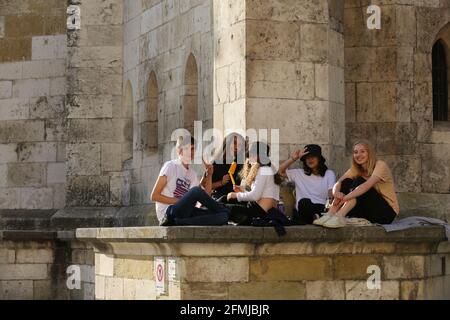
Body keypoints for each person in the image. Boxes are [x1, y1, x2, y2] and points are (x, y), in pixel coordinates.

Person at [314, 139, 399, 228]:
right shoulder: (356, 169)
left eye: (362, 151)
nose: (358, 155)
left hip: (386, 213)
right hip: (368, 210)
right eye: (355, 152)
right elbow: (339, 182)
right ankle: (330, 213)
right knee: (346, 182)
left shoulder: (380, 165)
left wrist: (346, 198)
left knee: (360, 181)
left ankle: (339, 216)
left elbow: (366, 186)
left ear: (369, 153)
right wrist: (336, 193)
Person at [151, 135, 230, 226]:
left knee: (223, 216)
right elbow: (154, 196)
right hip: (168, 212)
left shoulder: (192, 174)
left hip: (185, 213)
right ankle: (225, 209)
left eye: (193, 149)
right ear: (179, 151)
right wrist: (181, 201)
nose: (191, 152)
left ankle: (179, 223)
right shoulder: (170, 166)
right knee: (196, 191)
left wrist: (209, 175)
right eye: (187, 149)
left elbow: (206, 197)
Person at [224, 141, 281, 225]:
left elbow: (255, 196)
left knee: (223, 207)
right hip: (261, 211)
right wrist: (243, 191)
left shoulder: (263, 170)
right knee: (223, 201)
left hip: (259, 213)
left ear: (258, 156)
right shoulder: (269, 168)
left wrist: (235, 195)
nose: (248, 158)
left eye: (250, 154)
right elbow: (261, 196)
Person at [278, 144, 336, 224]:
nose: (310, 159)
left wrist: (330, 207)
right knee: (304, 202)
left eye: (313, 156)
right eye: (307, 157)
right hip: (304, 209)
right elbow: (280, 172)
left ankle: (317, 218)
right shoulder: (298, 173)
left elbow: (331, 193)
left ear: (319, 158)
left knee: (321, 208)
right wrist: (294, 158)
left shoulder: (329, 174)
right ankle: (315, 218)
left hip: (321, 208)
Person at [211, 133, 246, 200]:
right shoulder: (216, 163)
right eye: (234, 143)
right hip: (219, 197)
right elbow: (205, 186)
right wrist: (221, 182)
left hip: (236, 197)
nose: (237, 147)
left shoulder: (241, 164)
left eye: (240, 145)